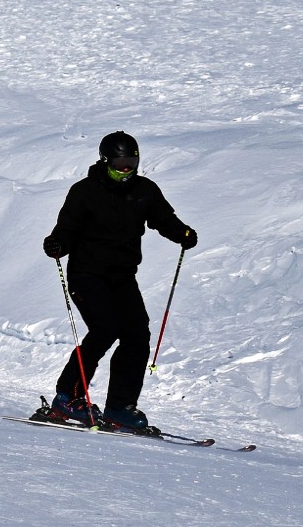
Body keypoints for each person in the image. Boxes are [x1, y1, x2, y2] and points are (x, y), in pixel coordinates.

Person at [41, 131, 197, 430]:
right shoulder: (84, 191)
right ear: (105, 161)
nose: (127, 170)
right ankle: (67, 398)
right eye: (120, 163)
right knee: (105, 329)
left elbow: (163, 219)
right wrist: (57, 243)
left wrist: (183, 233)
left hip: (123, 276)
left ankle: (119, 408)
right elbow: (67, 227)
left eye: (132, 163)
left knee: (137, 335)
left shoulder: (145, 190)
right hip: (86, 274)